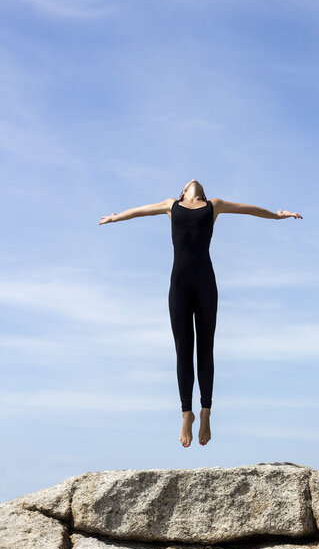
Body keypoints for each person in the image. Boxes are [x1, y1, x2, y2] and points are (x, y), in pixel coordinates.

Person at [99, 179, 303, 448]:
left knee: (205, 349)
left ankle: (205, 411)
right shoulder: (170, 205)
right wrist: (115, 217)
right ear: (182, 193)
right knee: (184, 349)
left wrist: (276, 215)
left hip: (206, 285)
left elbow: (247, 209)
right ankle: (187, 413)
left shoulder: (213, 206)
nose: (193, 179)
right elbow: (140, 210)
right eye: (186, 183)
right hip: (179, 288)